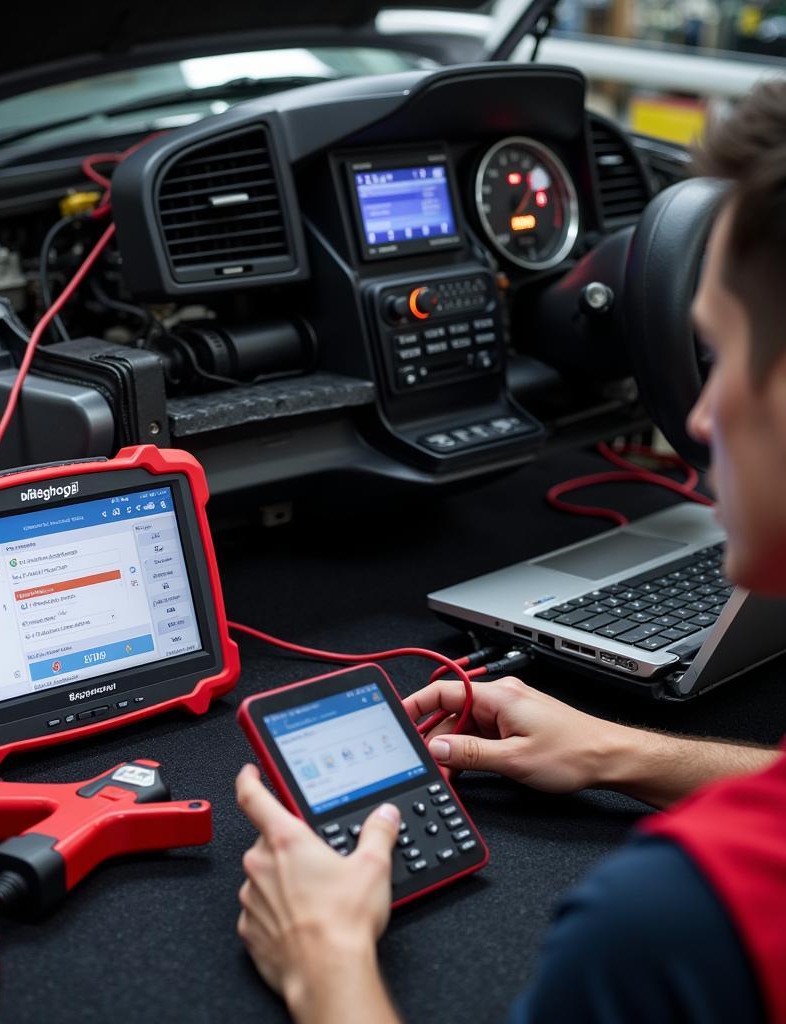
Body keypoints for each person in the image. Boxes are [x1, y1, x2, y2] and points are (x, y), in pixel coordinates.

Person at [235, 77, 786, 1024]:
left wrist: (325, 961)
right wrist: (620, 751)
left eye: (723, 353)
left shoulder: (669, 925)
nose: (698, 412)